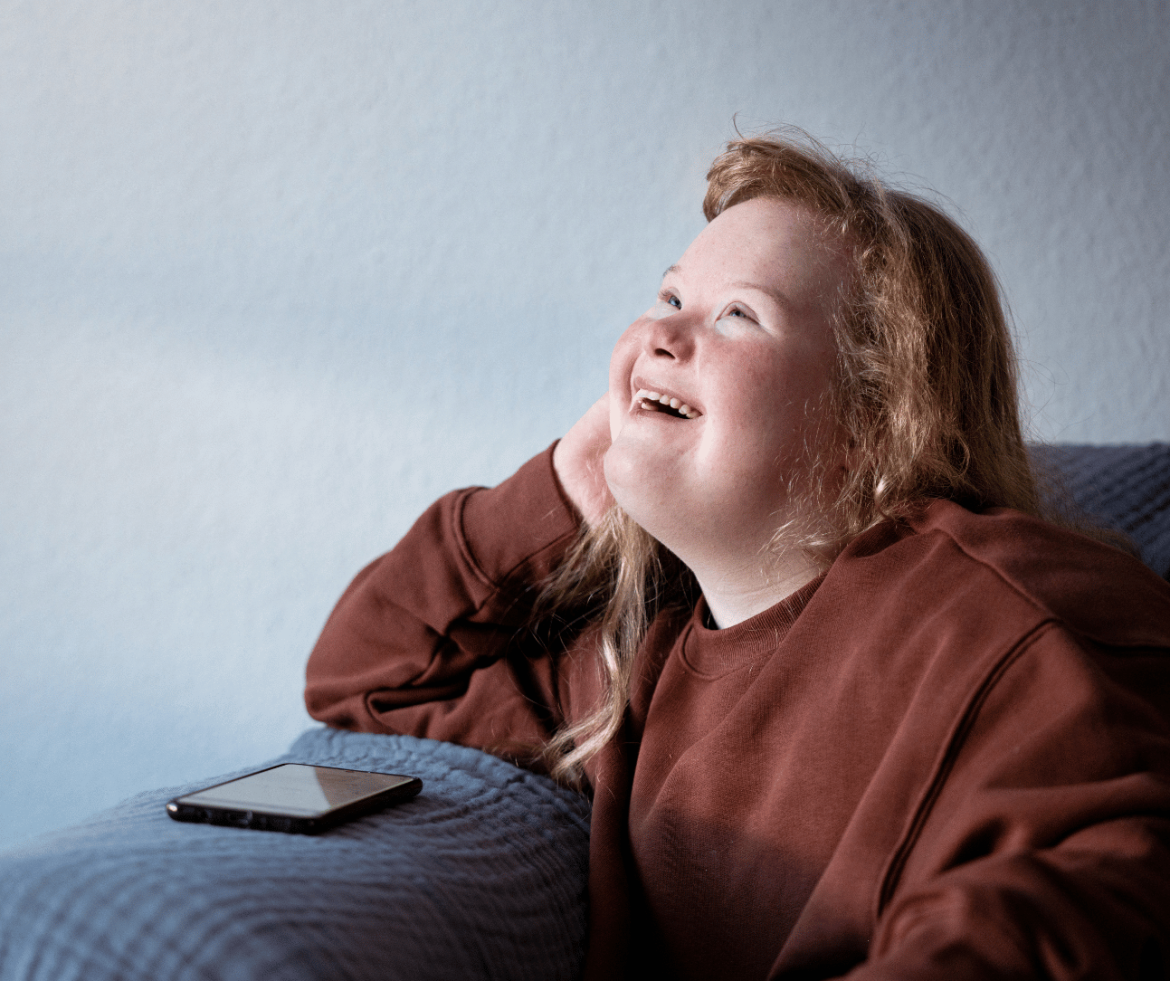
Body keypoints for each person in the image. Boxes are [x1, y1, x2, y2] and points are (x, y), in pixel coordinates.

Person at [305, 131, 1170, 980]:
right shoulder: (636, 673)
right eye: (670, 296)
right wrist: (571, 484)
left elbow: (1082, 886)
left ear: (872, 428)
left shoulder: (1003, 605)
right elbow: (369, 671)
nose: (661, 334)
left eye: (737, 315)